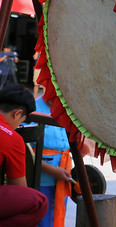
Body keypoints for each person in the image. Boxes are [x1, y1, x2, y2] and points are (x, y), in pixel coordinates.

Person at [0, 83, 49, 225]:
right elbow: (19, 187)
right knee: (39, 202)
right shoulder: (12, 138)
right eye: (21, 122)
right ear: (17, 114)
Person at [31, 96, 72, 227]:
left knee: (57, 217)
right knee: (42, 221)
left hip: (63, 176)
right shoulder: (33, 108)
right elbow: (26, 152)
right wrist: (53, 171)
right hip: (40, 180)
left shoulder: (66, 107)